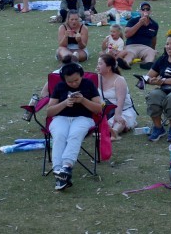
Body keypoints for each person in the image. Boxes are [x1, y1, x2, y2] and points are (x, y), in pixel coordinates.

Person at [46, 62, 103, 191]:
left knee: (75, 134)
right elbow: (49, 112)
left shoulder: (88, 84)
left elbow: (98, 108)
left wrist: (83, 100)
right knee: (59, 135)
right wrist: (65, 103)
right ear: (64, 80)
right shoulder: (60, 86)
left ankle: (66, 167)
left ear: (81, 76)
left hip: (83, 118)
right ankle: (58, 170)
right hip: (61, 118)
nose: (73, 84)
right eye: (70, 82)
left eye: (76, 80)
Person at [96, 54, 137, 139]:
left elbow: (120, 100)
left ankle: (114, 132)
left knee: (119, 120)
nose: (97, 66)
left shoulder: (119, 80)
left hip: (123, 110)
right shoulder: (97, 78)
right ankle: (107, 131)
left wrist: (117, 115)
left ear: (109, 67)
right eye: (98, 63)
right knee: (102, 124)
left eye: (100, 63)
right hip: (106, 111)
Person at [122, 1, 159, 69]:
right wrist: (139, 23)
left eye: (147, 9)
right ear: (139, 11)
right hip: (132, 46)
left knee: (151, 52)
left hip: (146, 47)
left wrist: (153, 49)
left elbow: (154, 38)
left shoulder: (154, 24)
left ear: (150, 11)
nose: (145, 11)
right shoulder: (133, 21)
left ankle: (148, 64)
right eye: (143, 9)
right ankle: (125, 63)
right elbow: (127, 34)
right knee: (129, 54)